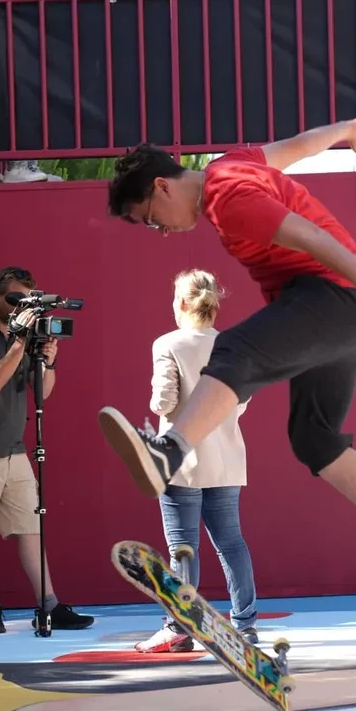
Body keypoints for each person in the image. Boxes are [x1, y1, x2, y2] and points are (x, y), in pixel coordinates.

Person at [99, 116, 356, 597]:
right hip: (345, 310)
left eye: (151, 218)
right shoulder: (231, 165)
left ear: (161, 186)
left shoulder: (228, 199)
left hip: (329, 298)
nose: (160, 230)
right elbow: (298, 147)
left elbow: (310, 237)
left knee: (234, 351)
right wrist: (347, 128)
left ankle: (168, 453)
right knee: (314, 439)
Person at [0, 266, 94, 635]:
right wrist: (19, 342)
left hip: (14, 450)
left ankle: (49, 603)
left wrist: (47, 357)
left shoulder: (23, 338)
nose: (19, 308)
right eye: (15, 299)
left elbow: (43, 391)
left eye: (25, 300)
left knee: (30, 528)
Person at [137, 269, 258, 653]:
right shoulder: (234, 345)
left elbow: (163, 403)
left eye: (175, 298)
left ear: (185, 303)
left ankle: (179, 626)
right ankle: (245, 625)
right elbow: (241, 400)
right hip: (225, 458)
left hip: (180, 460)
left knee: (183, 547)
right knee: (231, 543)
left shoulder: (167, 344)